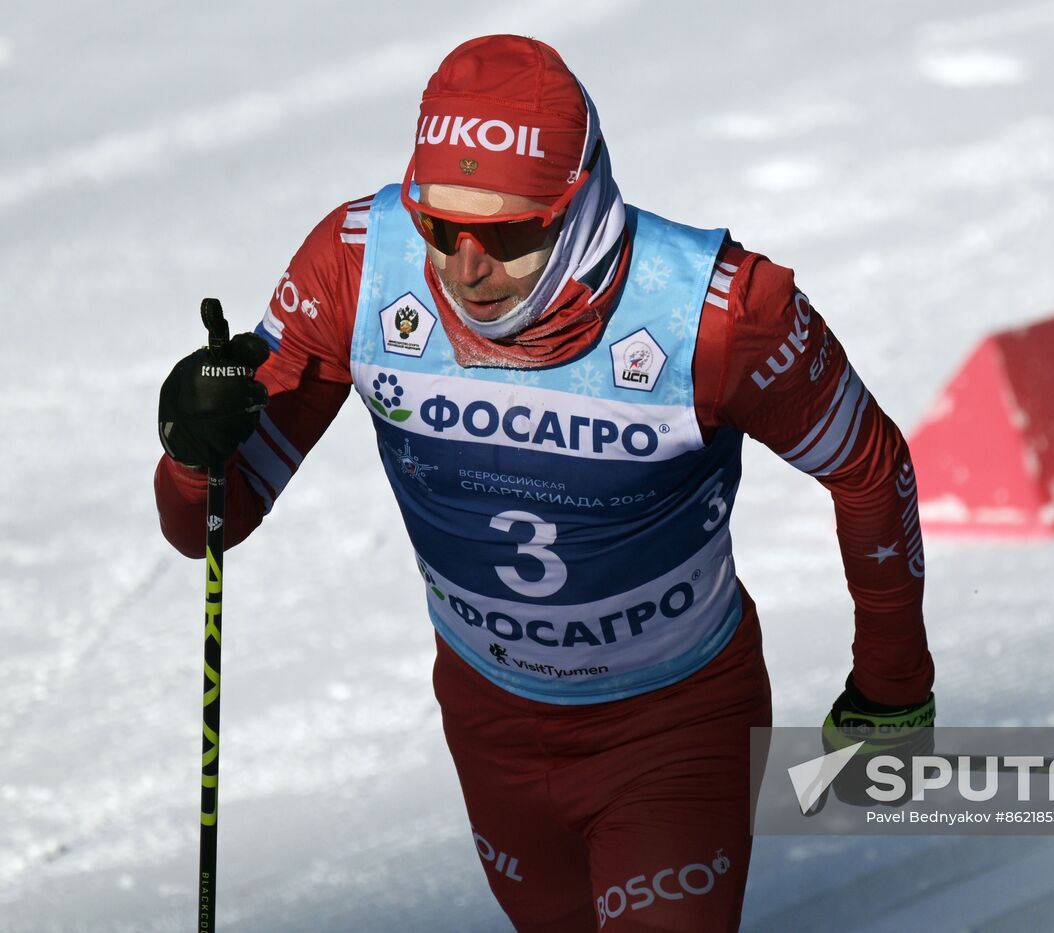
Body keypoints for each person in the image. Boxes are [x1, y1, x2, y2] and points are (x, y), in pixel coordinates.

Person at [155, 34, 935, 932]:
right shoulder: (356, 266)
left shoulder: (719, 315)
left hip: (672, 727)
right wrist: (193, 450)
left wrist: (892, 681)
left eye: (510, 232)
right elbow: (208, 524)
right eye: (440, 225)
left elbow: (869, 466)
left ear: (583, 207)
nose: (466, 264)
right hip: (492, 724)